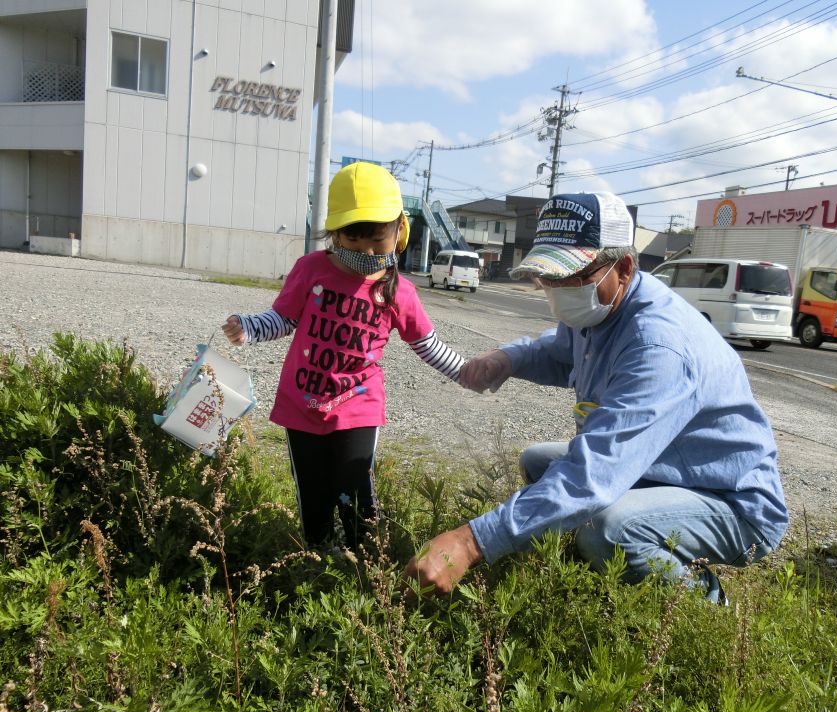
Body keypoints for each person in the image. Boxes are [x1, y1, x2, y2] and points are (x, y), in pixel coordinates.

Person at [403, 191, 787, 602]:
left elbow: (594, 474)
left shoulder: (659, 347)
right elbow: (560, 351)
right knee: (539, 462)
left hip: (729, 500)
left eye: (570, 277)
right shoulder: (605, 307)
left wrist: (469, 542)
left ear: (621, 268)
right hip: (664, 469)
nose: (555, 289)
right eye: (547, 278)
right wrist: (506, 360)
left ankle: (707, 605)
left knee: (609, 527)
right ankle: (587, 565)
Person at [223, 162, 466, 551]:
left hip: (358, 405)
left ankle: (362, 558)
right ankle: (318, 553)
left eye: (377, 241)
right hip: (302, 402)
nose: (366, 253)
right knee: (312, 489)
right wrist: (249, 327)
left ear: (399, 231)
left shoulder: (398, 292)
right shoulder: (311, 269)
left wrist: (467, 372)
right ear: (334, 233)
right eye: (353, 242)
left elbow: (426, 344)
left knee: (355, 489)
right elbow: (283, 319)